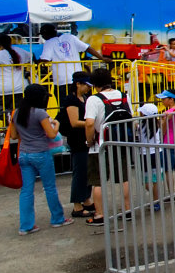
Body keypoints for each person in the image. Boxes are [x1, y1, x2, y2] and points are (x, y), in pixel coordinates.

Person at [8, 84, 71, 235]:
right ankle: (58, 218)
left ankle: (26, 226)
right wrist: (57, 125)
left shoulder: (16, 113)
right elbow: (51, 134)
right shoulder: (40, 113)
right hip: (41, 153)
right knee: (49, 187)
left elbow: (14, 136)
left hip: (24, 154)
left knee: (26, 191)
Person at [84, 67, 133, 226]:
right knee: (124, 178)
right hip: (121, 143)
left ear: (94, 83)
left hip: (101, 145)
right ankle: (127, 210)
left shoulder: (94, 99)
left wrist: (89, 140)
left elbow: (90, 123)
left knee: (98, 181)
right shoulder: (124, 96)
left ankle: (100, 215)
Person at [38, 24, 105, 106]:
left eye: (42, 35)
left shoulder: (49, 42)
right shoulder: (70, 37)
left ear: (45, 34)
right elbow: (87, 48)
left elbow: (45, 58)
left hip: (62, 81)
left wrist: (37, 61)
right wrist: (102, 58)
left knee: (64, 107)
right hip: (79, 79)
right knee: (83, 104)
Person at [58, 70, 95, 218]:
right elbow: (74, 122)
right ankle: (77, 205)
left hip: (85, 138)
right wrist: (90, 123)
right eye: (86, 85)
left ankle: (86, 199)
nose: (88, 87)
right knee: (80, 172)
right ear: (78, 84)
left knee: (88, 171)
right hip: (77, 140)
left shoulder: (84, 98)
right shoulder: (71, 100)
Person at [0, 34, 32, 128]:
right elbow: (31, 57)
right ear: (11, 42)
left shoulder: (0, 54)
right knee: (17, 109)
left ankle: (7, 116)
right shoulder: (20, 51)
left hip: (3, 88)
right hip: (20, 87)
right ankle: (17, 130)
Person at [157, 90, 175, 200]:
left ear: (171, 99)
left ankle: (172, 193)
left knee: (168, 170)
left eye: (164, 99)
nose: (162, 101)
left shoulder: (168, 113)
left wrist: (163, 122)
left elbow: (163, 131)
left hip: (169, 141)